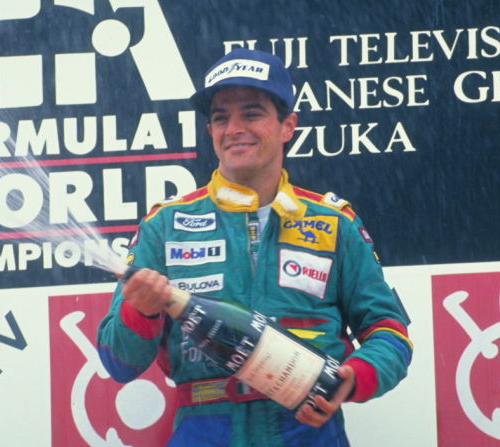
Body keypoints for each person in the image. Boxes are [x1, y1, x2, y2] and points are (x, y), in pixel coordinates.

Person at [97, 48, 413, 447]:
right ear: (210, 130)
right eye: (220, 118)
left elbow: (389, 332)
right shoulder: (165, 225)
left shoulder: (335, 223)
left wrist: (356, 377)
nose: (233, 129)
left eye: (251, 114)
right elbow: (118, 362)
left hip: (309, 433)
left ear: (287, 126)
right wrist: (139, 310)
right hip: (204, 431)